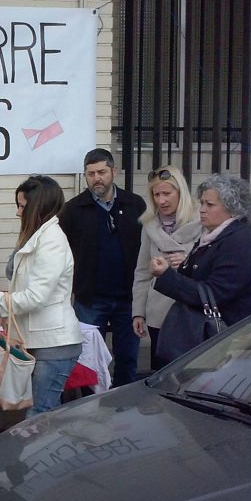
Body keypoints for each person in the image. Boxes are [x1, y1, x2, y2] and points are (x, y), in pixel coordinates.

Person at [0, 175, 81, 417]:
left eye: (22, 206)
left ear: (37, 206)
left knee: (38, 415)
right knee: (45, 416)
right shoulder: (39, 237)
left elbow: (34, 297)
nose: (17, 213)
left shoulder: (51, 241)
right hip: (41, 341)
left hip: (53, 344)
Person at [149, 173, 251, 361]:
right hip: (209, 341)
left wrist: (166, 275)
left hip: (231, 342)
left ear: (232, 208)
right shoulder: (213, 237)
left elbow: (213, 294)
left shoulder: (241, 243)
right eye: (202, 203)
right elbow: (194, 279)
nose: (202, 210)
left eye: (209, 205)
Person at [59, 148, 147, 386]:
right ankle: (92, 409)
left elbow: (149, 245)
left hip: (128, 299)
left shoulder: (134, 204)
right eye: (90, 174)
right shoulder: (73, 209)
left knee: (127, 358)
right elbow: (60, 252)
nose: (96, 178)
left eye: (101, 172)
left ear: (113, 172)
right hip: (90, 299)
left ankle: (124, 404)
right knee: (89, 361)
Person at [131, 166, 203, 367]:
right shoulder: (149, 225)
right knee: (162, 375)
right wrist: (138, 312)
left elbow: (213, 264)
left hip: (192, 314)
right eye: (156, 194)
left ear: (180, 192)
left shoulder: (202, 220)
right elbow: (142, 272)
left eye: (167, 193)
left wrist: (187, 258)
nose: (161, 200)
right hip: (159, 314)